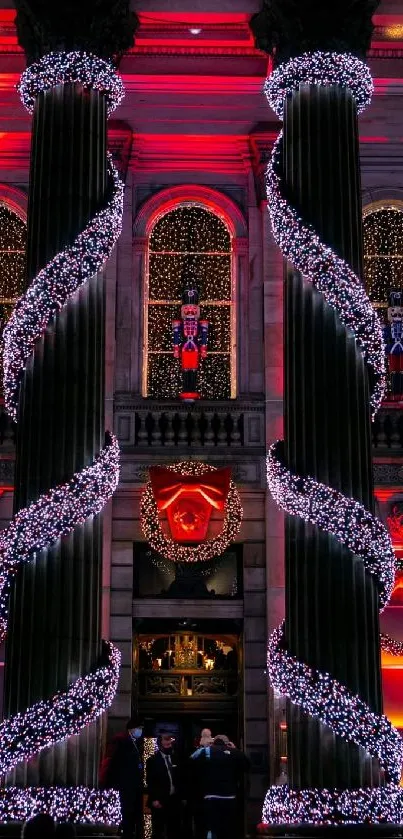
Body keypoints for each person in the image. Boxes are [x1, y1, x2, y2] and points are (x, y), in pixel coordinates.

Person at [192, 734, 249, 839]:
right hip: (229, 796)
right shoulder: (234, 752)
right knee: (228, 827)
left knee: (211, 827)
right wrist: (235, 749)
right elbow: (247, 765)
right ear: (227, 743)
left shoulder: (206, 751)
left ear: (214, 742)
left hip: (210, 796)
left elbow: (192, 762)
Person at [100, 716, 144, 839]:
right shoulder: (121, 740)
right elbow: (112, 763)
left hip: (132, 787)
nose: (140, 731)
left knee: (131, 818)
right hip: (124, 787)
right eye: (139, 728)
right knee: (126, 817)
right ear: (131, 729)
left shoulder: (134, 742)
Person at [146, 731, 182, 839]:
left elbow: (181, 778)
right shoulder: (152, 760)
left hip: (174, 801)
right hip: (159, 801)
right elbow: (150, 781)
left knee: (174, 830)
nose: (169, 746)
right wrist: (154, 799)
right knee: (158, 831)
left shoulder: (176, 758)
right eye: (166, 743)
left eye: (170, 744)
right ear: (160, 744)